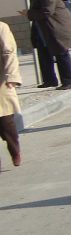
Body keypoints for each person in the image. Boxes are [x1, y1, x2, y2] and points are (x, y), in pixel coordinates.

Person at [18, 0, 71, 90]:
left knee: (61, 53)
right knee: (43, 54)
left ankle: (68, 81)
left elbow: (47, 11)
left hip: (58, 28)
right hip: (44, 30)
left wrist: (28, 13)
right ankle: (49, 80)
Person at [0, 20, 22, 171]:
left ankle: (15, 150)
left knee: (5, 121)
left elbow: (9, 52)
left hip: (1, 78)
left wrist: (11, 76)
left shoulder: (1, 27)